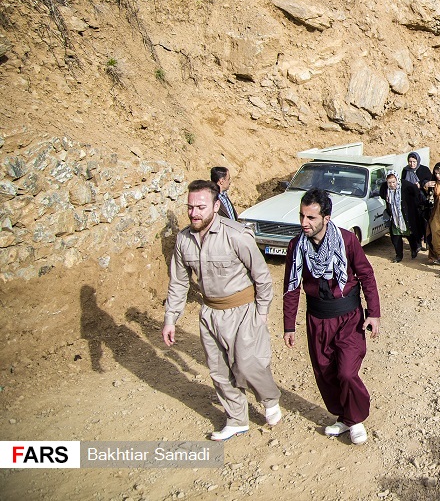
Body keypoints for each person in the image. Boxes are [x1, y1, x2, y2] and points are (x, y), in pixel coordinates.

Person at [162, 179, 281, 441]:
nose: (194, 213)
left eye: (201, 207)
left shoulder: (236, 234)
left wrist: (261, 313)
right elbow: (179, 282)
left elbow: (262, 277)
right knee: (218, 370)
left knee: (248, 365)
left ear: (216, 206)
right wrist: (170, 319)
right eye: (190, 207)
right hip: (209, 314)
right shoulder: (183, 240)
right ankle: (237, 418)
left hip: (243, 311)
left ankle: (270, 399)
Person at [283, 188, 381, 444]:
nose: (304, 223)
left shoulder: (347, 240)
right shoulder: (296, 246)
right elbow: (292, 287)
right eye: (302, 216)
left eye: (311, 218)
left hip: (348, 317)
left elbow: (366, 275)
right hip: (317, 318)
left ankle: (356, 419)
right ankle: (343, 417)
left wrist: (374, 313)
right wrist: (289, 325)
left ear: (326, 217)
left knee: (347, 372)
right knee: (325, 373)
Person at [380, 171, 423, 262]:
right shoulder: (385, 189)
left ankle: (414, 249)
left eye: (393, 182)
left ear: (397, 180)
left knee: (409, 234)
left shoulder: (406, 186)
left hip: (406, 216)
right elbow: (383, 196)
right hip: (394, 217)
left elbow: (416, 194)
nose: (391, 185)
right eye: (389, 182)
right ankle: (399, 255)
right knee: (396, 237)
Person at [400, 152, 433, 250]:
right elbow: (403, 182)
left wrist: (421, 185)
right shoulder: (405, 170)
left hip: (423, 200)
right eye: (410, 162)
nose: (412, 164)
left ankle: (427, 243)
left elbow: (429, 181)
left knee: (425, 222)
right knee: (414, 222)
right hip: (410, 200)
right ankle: (417, 243)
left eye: (414, 161)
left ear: (418, 161)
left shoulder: (424, 170)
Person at [424, 163, 440, 264]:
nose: (438, 176)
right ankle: (437, 254)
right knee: (434, 232)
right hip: (435, 213)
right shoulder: (433, 184)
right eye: (436, 173)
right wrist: (426, 186)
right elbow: (427, 196)